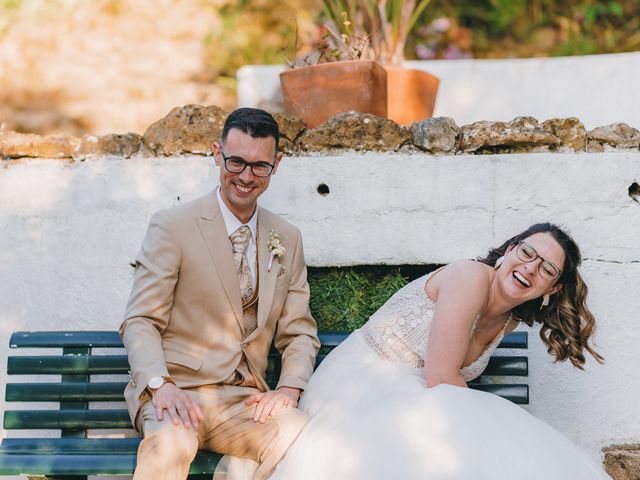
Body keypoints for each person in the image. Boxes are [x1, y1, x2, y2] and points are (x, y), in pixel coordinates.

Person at [269, 223, 610, 479]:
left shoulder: (509, 321)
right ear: (509, 250)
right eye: (527, 253)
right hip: (362, 386)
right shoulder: (470, 276)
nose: (530, 268)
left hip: (416, 397)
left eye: (547, 269)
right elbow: (441, 377)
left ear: (553, 287)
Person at [119, 107, 320, 480]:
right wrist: (160, 385)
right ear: (216, 154)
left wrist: (289, 387)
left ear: (277, 164)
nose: (246, 177)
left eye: (259, 166)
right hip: (177, 391)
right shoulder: (173, 226)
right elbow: (140, 320)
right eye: (236, 162)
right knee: (171, 445)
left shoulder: (287, 238)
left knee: (300, 437)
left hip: (244, 402)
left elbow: (299, 332)